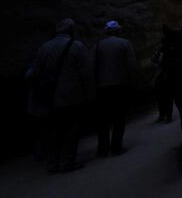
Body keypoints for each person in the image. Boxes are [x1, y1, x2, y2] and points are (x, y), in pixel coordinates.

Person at [26, 18, 92, 174]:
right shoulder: (77, 47)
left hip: (48, 97)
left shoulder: (44, 48)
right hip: (71, 98)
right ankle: (66, 162)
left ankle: (52, 163)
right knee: (70, 130)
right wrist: (90, 96)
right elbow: (86, 75)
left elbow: (32, 74)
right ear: (71, 31)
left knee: (52, 131)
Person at [93, 20, 137, 156]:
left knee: (103, 119)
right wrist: (132, 83)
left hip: (102, 87)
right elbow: (131, 65)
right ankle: (116, 147)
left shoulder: (98, 45)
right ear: (118, 31)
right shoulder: (125, 43)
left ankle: (102, 148)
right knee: (119, 117)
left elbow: (92, 65)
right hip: (120, 85)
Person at [153, 32, 174, 123]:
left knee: (168, 96)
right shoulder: (160, 50)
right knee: (160, 96)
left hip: (167, 75)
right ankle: (162, 114)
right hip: (160, 74)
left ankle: (168, 116)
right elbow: (155, 60)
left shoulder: (170, 50)